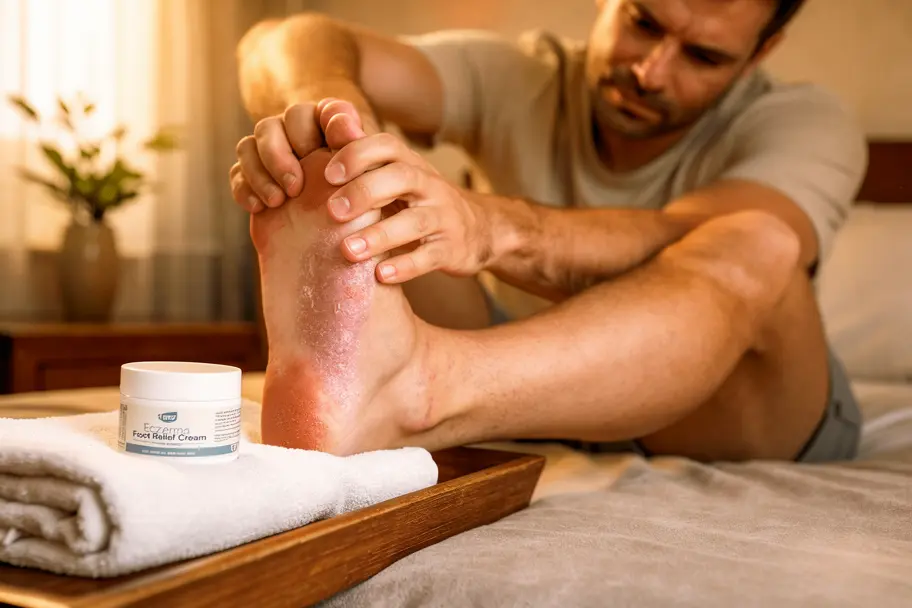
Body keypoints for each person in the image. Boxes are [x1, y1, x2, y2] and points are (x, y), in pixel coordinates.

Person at [229, 0, 868, 462]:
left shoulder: (805, 121)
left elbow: (684, 234)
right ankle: (374, 377)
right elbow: (283, 40)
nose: (651, 71)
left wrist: (491, 227)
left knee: (758, 241)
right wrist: (334, 118)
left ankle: (421, 390)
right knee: (383, 189)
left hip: (727, 406)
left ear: (760, 51)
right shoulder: (527, 73)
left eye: (702, 57)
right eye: (642, 22)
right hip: (530, 373)